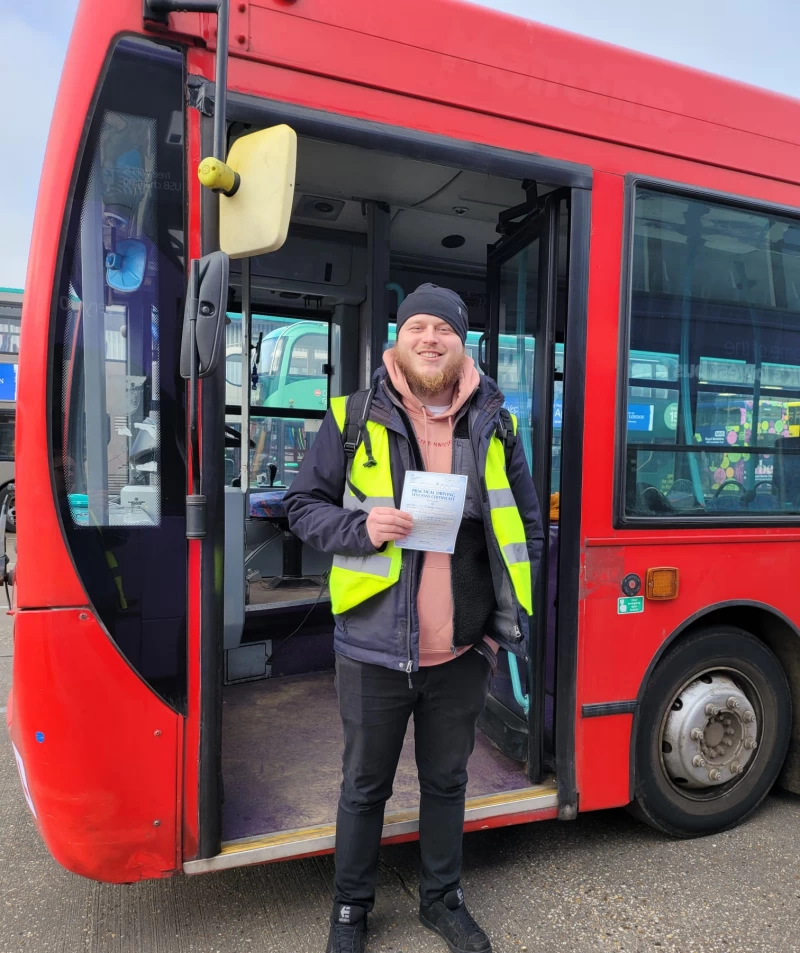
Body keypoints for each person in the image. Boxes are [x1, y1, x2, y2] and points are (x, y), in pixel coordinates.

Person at [284, 283, 543, 953]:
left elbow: (528, 526)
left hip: (459, 651)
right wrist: (359, 526)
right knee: (364, 786)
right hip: (371, 648)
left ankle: (441, 899)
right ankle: (350, 910)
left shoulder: (495, 422)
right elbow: (302, 506)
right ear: (397, 339)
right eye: (418, 326)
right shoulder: (350, 415)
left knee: (447, 781)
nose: (431, 338)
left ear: (463, 343)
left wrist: (491, 631)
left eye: (445, 330)